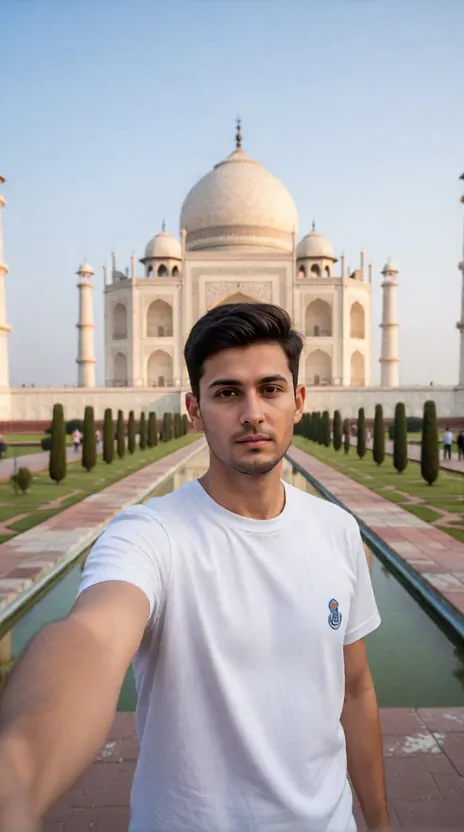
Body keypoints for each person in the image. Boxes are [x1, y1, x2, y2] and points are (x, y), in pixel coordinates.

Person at [0, 303, 389, 832]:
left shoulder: (337, 530)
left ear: (298, 401)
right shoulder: (150, 534)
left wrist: (381, 822)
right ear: (194, 409)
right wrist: (18, 771)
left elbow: (356, 689)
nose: (252, 411)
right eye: (227, 393)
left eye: (271, 389)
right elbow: (92, 638)